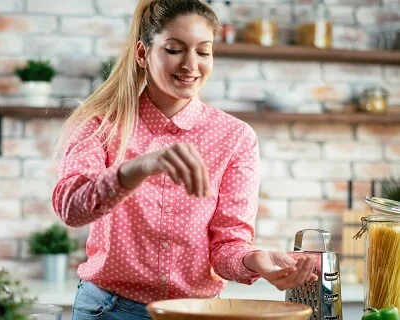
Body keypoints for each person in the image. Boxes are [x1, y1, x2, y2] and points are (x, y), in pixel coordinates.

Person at [52, 0, 318, 319]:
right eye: (175, 49)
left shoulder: (235, 137)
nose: (191, 65)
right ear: (142, 53)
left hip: (199, 312)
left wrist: (254, 261)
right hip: (109, 310)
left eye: (203, 51)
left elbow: (227, 245)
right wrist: (139, 168)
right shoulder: (101, 124)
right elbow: (71, 208)